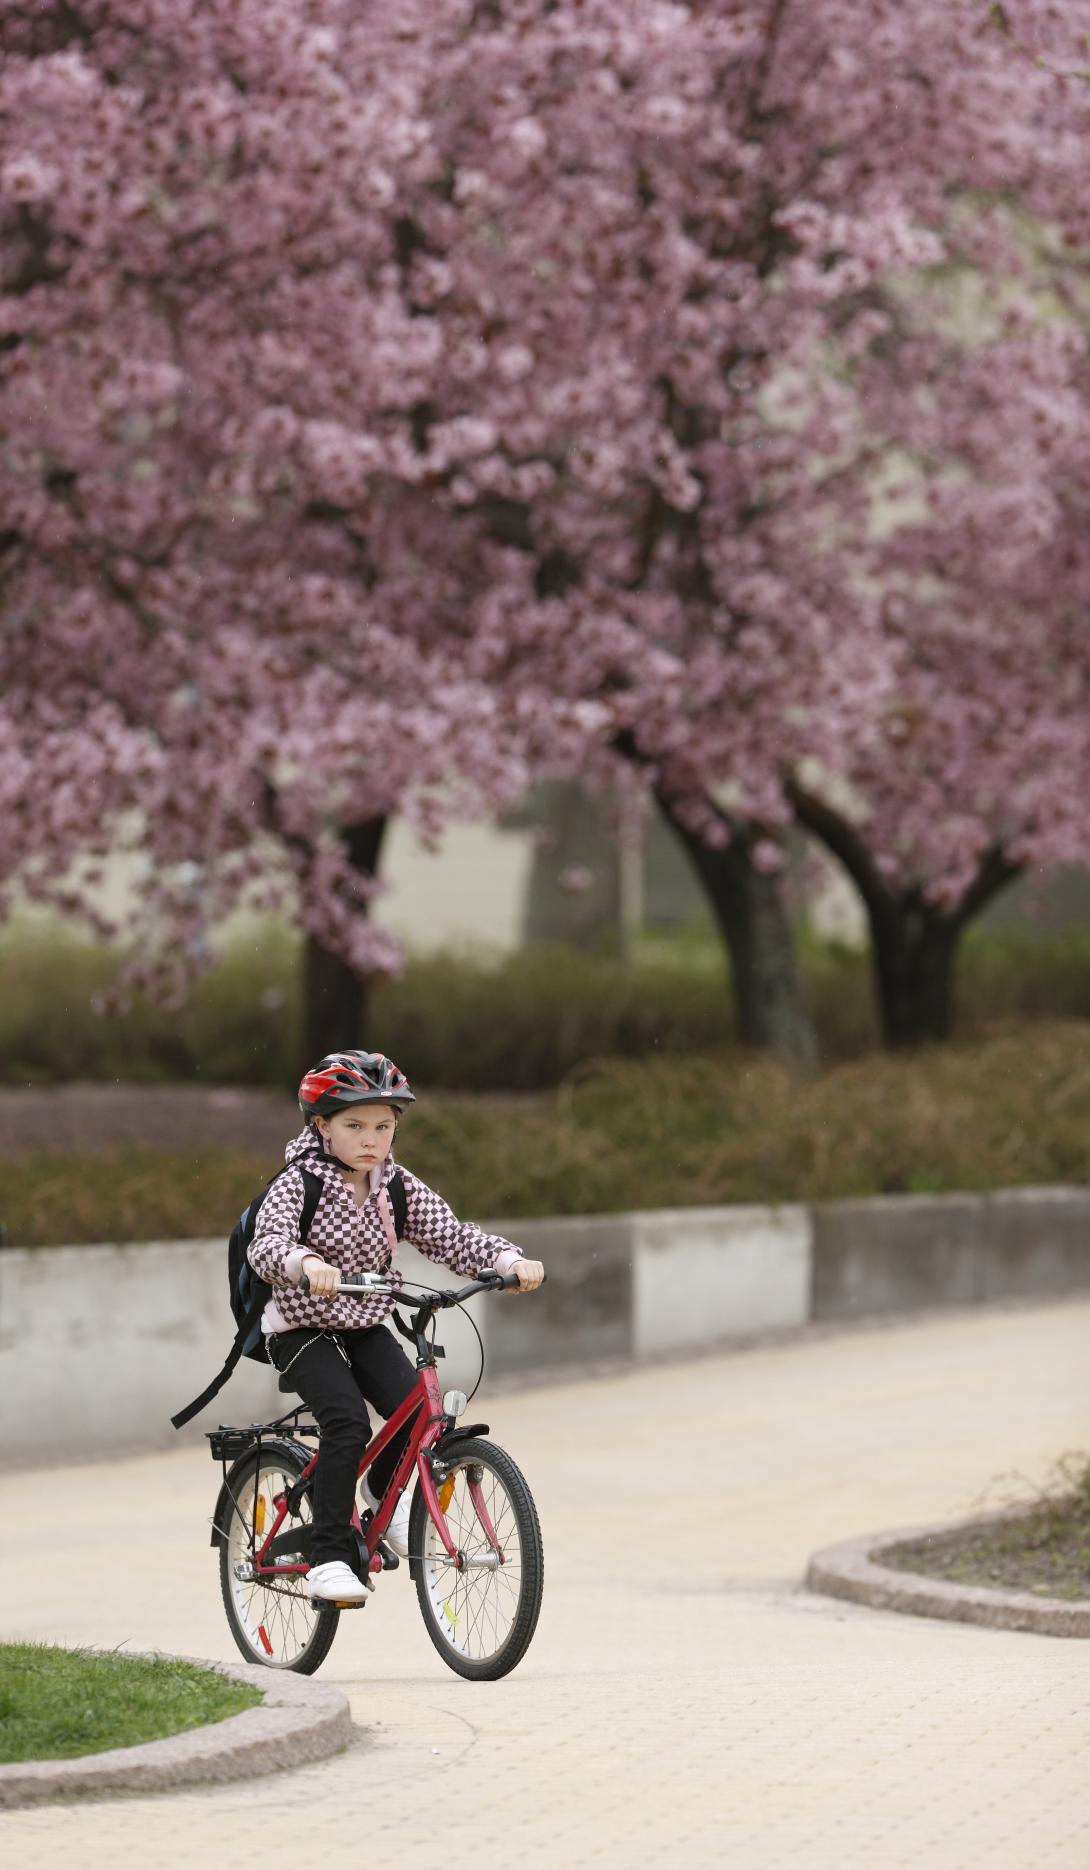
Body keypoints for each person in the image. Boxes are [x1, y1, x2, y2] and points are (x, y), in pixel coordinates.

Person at [247, 1049, 545, 1604]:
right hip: (300, 1327)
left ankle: (380, 1494)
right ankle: (330, 1558)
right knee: (347, 1422)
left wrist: (507, 1261)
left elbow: (451, 1237)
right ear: (322, 1127)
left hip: (364, 1322)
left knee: (417, 1414)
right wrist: (307, 1266)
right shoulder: (298, 1183)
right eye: (354, 1125)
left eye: (383, 1126)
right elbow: (268, 1245)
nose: (370, 1139)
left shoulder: (395, 1187)